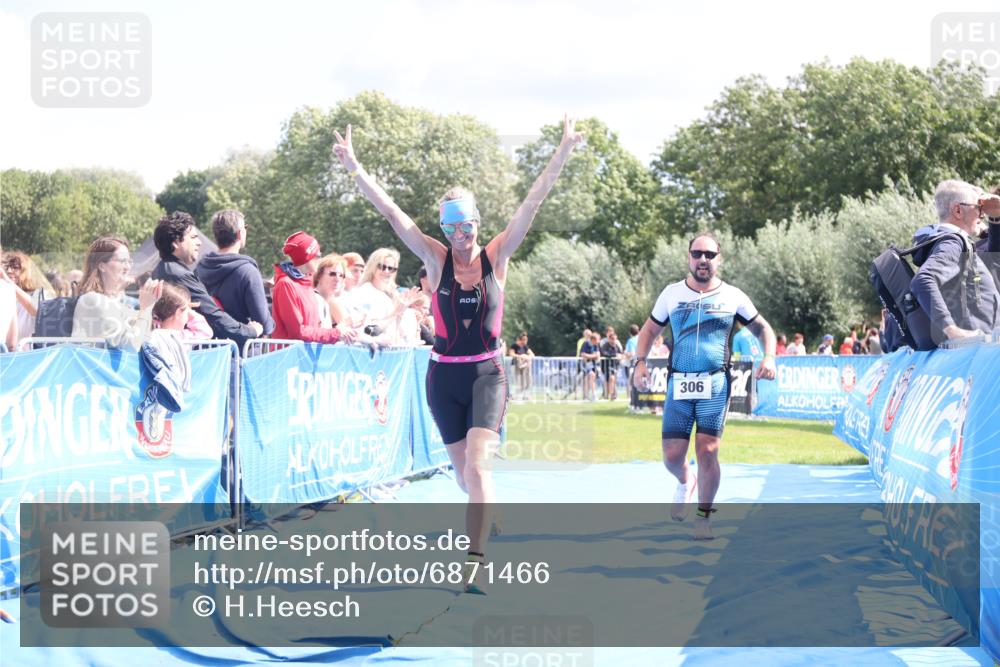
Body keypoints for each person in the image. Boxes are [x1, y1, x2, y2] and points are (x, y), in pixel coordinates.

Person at [332, 114, 582, 592]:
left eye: (466, 225)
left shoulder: (497, 255)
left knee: (478, 467)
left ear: (476, 223)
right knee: (465, 479)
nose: (459, 234)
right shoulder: (434, 257)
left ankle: (474, 562)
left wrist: (564, 149)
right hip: (443, 377)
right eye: (451, 227)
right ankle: (488, 513)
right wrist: (356, 169)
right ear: (443, 229)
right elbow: (391, 213)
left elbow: (534, 201)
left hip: (487, 373)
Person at [633, 233, 776, 540]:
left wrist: (771, 357)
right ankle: (686, 481)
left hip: (716, 384)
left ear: (718, 260)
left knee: (707, 451)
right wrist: (640, 362)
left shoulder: (733, 296)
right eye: (697, 254)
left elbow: (764, 328)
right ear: (688, 257)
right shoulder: (671, 294)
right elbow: (648, 330)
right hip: (678, 384)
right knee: (672, 456)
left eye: (710, 255)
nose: (703, 260)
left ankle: (703, 517)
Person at [151, 212, 264, 351]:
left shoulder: (163, 269)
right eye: (193, 237)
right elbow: (213, 317)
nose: (199, 242)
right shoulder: (178, 274)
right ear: (175, 243)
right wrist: (249, 331)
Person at [911, 180, 1000, 344]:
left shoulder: (951, 240)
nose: (982, 215)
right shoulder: (953, 242)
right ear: (958, 210)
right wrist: (953, 331)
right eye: (978, 208)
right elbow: (923, 280)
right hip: (976, 352)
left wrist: (996, 216)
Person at [72, 236, 162, 351]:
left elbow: (143, 340)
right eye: (122, 261)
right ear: (101, 266)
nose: (128, 267)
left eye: (129, 261)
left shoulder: (117, 302)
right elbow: (132, 346)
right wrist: (146, 308)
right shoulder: (92, 300)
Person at [196, 209, 275, 336]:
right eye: (245, 227)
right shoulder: (248, 272)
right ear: (240, 233)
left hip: (208, 349)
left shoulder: (199, 269)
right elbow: (263, 324)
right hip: (243, 350)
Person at [271, 231, 358, 344]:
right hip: (289, 358)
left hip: (306, 357)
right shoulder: (286, 284)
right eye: (318, 256)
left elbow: (315, 327)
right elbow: (297, 331)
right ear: (307, 257)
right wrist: (336, 333)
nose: (320, 260)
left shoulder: (306, 282)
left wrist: (339, 330)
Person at [314, 254, 351, 327]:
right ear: (319, 276)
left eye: (341, 275)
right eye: (332, 274)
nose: (337, 279)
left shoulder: (330, 301)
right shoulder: (313, 299)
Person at [508, 331, 535, 400]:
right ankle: (514, 396)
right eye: (524, 340)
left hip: (523, 366)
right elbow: (511, 354)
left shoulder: (525, 347)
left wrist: (526, 356)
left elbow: (532, 355)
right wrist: (520, 356)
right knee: (517, 381)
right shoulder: (514, 346)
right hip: (515, 366)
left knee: (526, 381)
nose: (526, 341)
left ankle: (525, 395)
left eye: (526, 340)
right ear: (521, 340)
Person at [599, 327, 623, 400]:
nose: (614, 341)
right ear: (609, 339)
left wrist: (621, 356)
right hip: (606, 366)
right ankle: (610, 395)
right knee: (609, 379)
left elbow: (621, 353)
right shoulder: (605, 345)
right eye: (612, 339)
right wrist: (615, 355)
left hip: (615, 366)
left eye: (615, 339)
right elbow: (604, 353)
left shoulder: (616, 345)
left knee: (612, 380)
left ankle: (610, 395)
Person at [579, 331, 601, 401]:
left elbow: (597, 355)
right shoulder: (585, 344)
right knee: (589, 377)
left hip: (593, 364)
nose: (599, 341)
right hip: (585, 364)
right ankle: (588, 396)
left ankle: (589, 396)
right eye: (598, 340)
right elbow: (583, 355)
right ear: (593, 340)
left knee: (591, 379)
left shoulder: (596, 345)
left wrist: (589, 356)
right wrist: (593, 356)